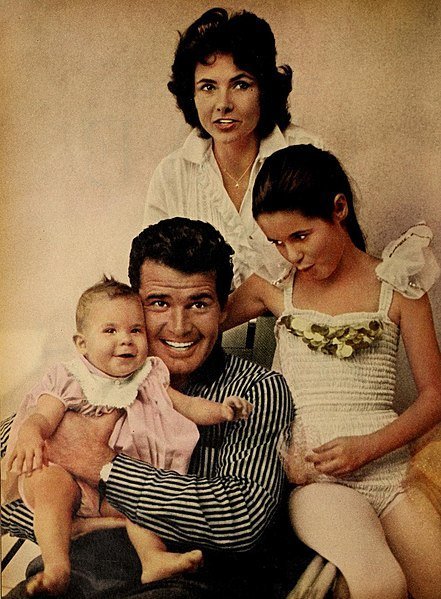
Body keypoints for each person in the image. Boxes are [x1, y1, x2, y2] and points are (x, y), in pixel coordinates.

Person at [1, 218, 297, 599]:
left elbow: (240, 520)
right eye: (159, 303)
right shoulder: (84, 380)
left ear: (224, 309)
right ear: (134, 305)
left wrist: (103, 465)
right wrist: (93, 519)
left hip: (185, 582)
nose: (179, 326)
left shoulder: (256, 390)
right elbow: (6, 497)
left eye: (199, 304)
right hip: (71, 577)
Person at [223, 145, 441, 598]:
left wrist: (370, 446)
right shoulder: (274, 285)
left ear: (338, 209)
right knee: (382, 582)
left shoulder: (399, 283)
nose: (291, 256)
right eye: (277, 243)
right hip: (318, 478)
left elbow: (435, 396)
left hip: (393, 474)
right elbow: (195, 324)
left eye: (300, 236)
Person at [143, 7, 323, 288]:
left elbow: (336, 267)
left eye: (240, 85)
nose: (223, 103)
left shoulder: (305, 152)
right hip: (209, 330)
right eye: (207, 87)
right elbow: (156, 280)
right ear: (190, 94)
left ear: (264, 89)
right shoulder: (172, 175)